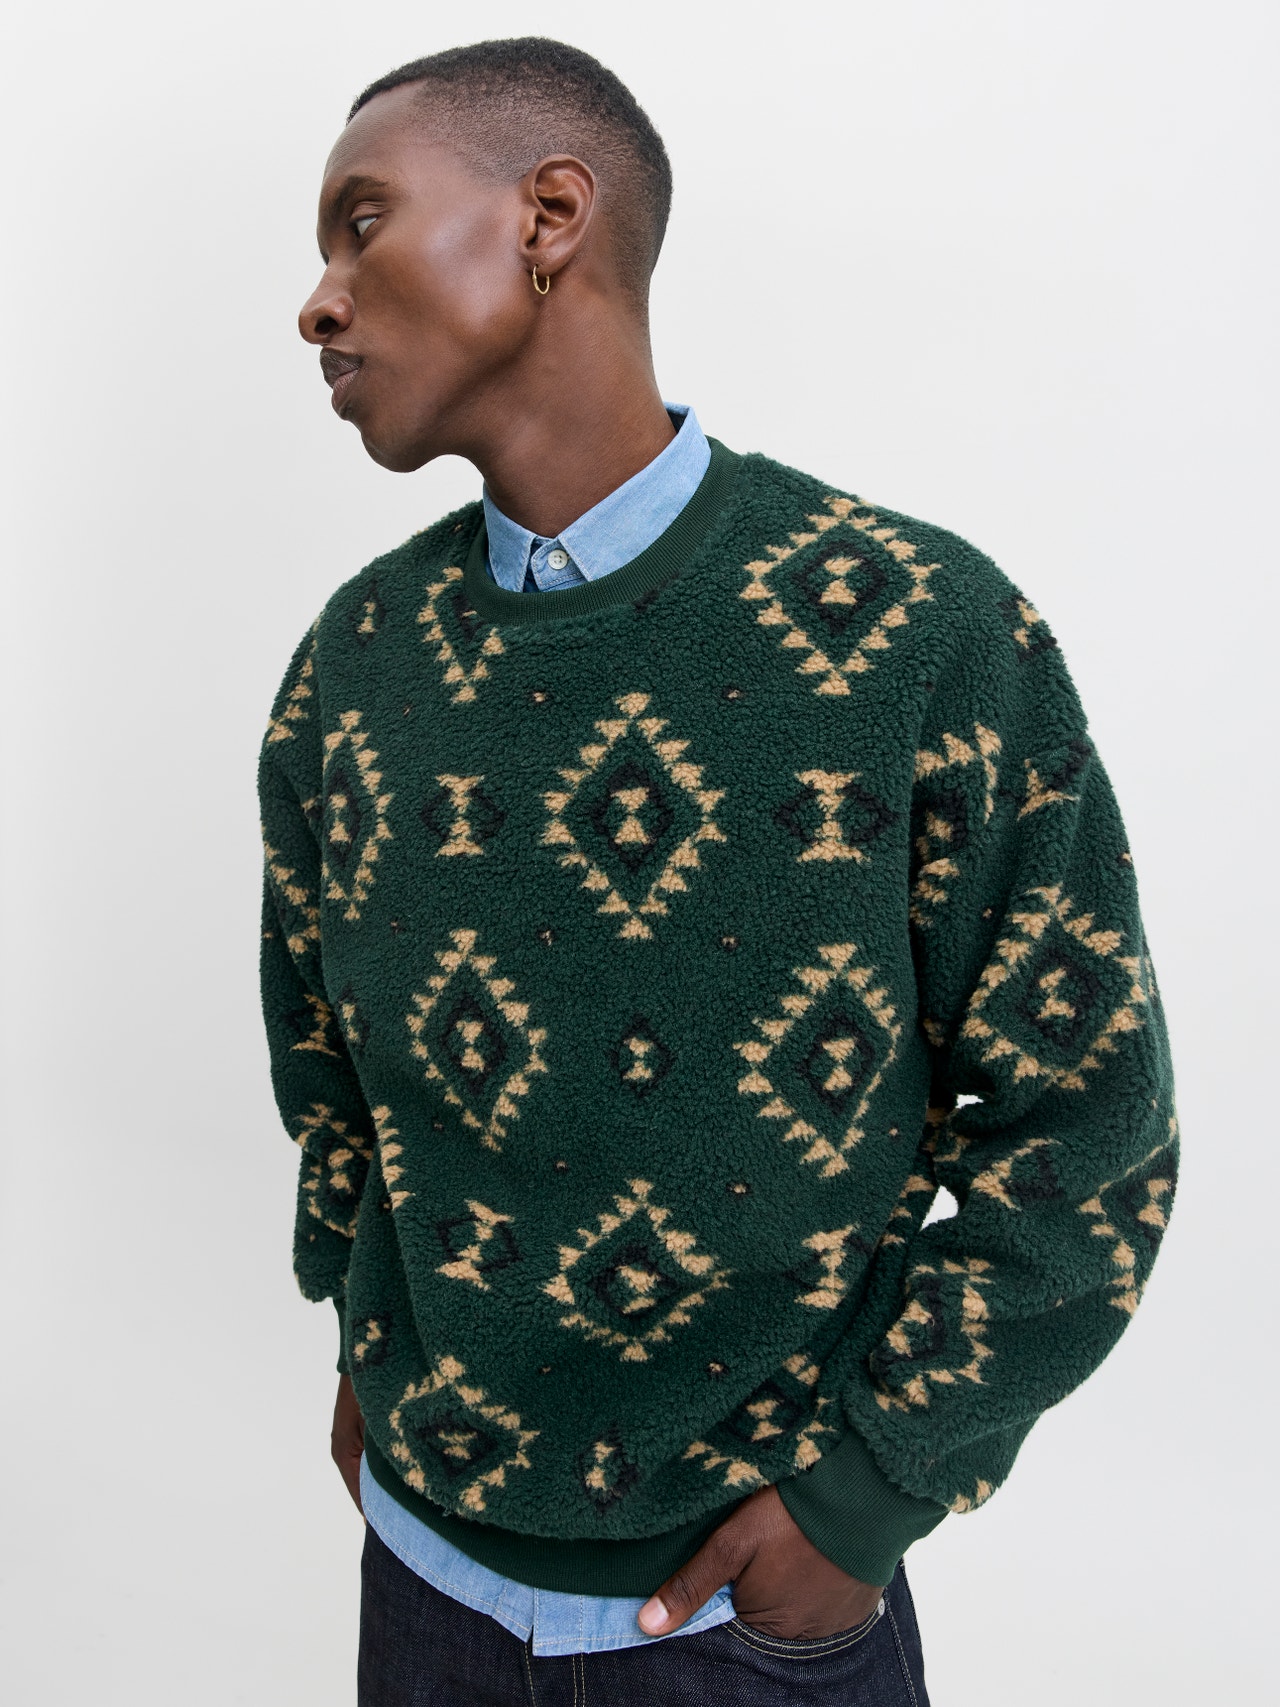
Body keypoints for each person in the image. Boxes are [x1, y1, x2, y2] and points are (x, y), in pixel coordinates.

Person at [259, 37, 1177, 1707]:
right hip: (421, 1584)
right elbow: (329, 1078)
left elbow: (1091, 1132)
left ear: (549, 217)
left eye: (360, 224)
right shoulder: (355, 662)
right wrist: (367, 1346)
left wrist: (871, 1492)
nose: (318, 301)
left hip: (748, 1637)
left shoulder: (925, 632)